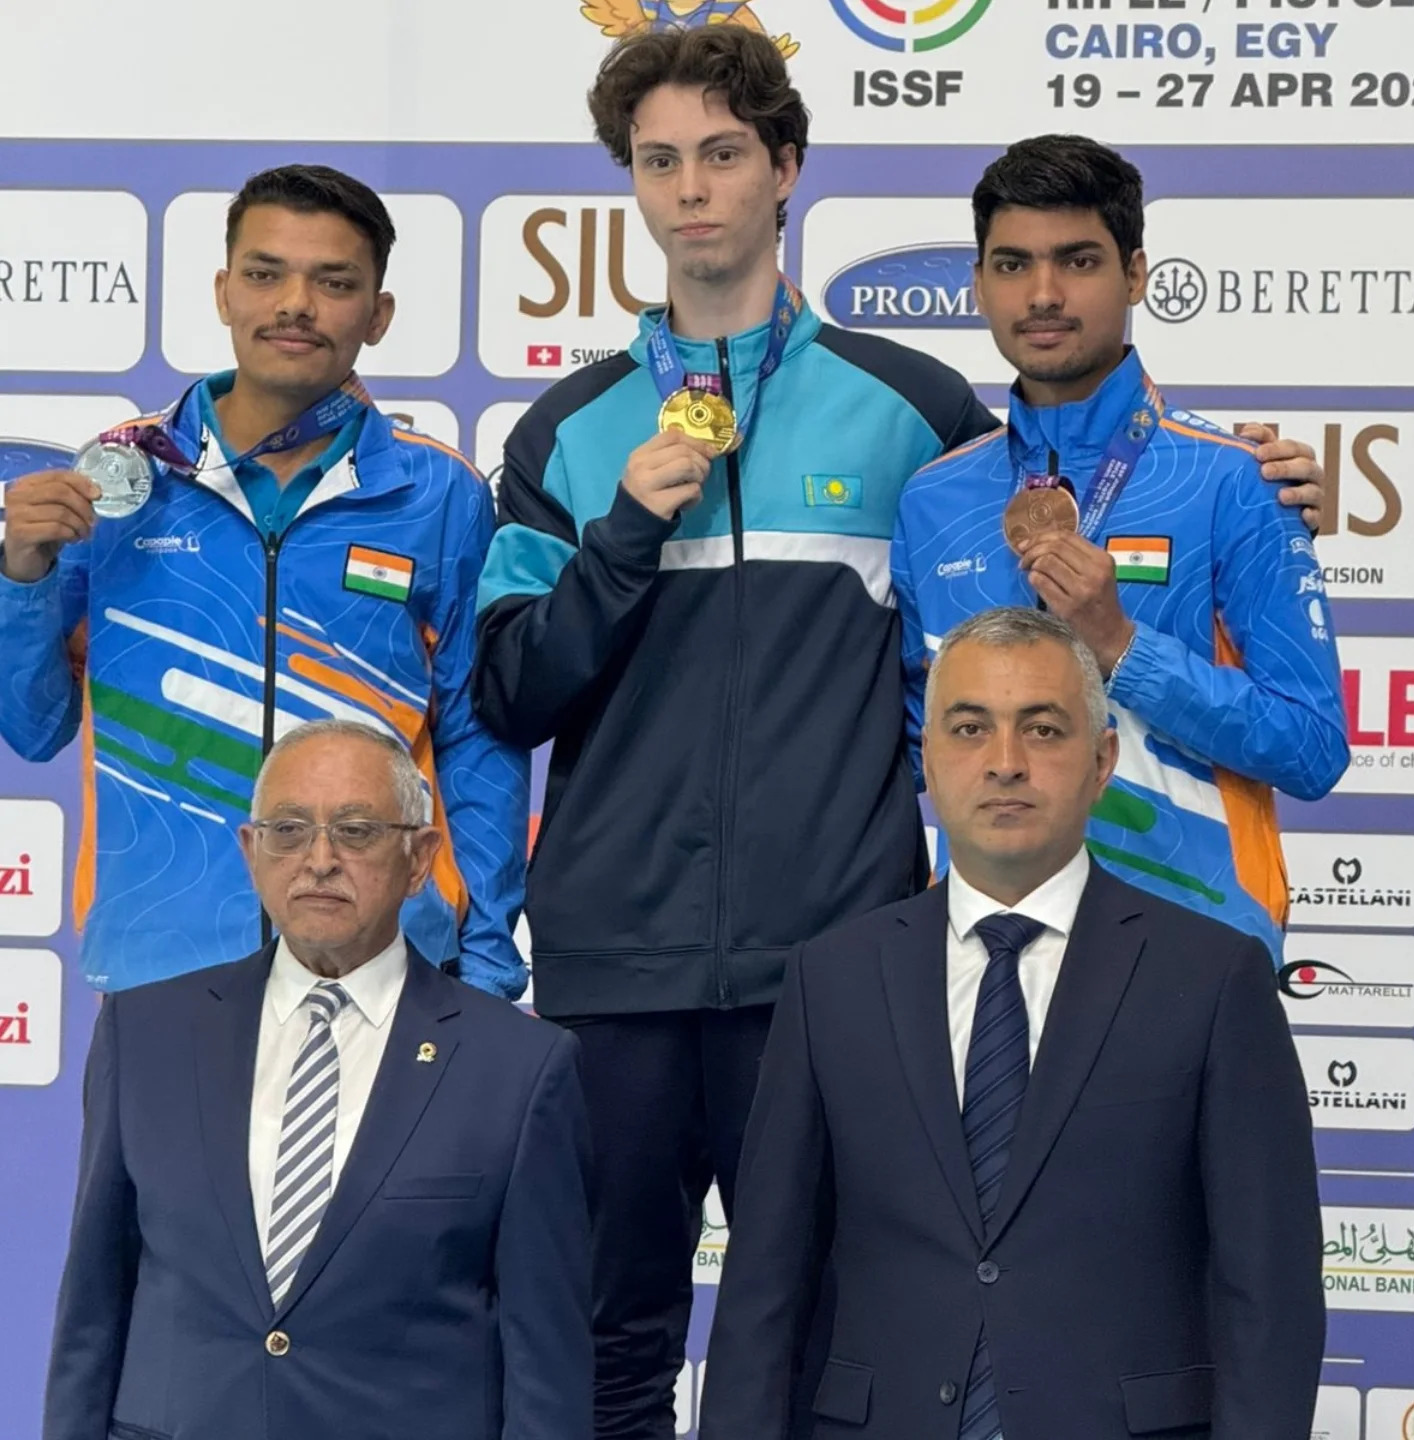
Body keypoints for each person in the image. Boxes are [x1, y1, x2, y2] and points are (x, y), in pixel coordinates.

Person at [471, 30, 1325, 1440]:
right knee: (603, 1346)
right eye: (661, 161)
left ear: (787, 168)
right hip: (612, 961)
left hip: (838, 966)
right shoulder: (568, 428)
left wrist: (1264, 477)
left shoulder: (917, 416)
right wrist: (623, 534)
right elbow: (510, 693)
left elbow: (1063, 468)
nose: (693, 189)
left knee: (839, 1342)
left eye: (724, 154)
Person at [700, 608, 1324, 1440]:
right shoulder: (833, 978)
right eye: (970, 728)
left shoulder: (1213, 978)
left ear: (1102, 761)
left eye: (1043, 728)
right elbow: (764, 1286)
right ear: (928, 755)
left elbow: (1270, 1293)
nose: (1005, 762)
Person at [0, 164, 527, 998]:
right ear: (223, 292)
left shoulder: (439, 496)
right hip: (162, 967)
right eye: (264, 273)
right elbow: (34, 730)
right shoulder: (124, 480)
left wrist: (488, 956)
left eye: (334, 282)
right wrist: (20, 576)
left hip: (384, 964)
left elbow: (476, 736)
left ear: (379, 313)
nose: (295, 304)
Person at [43, 719, 592, 1440]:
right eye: (289, 830)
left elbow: (546, 1366)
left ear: (419, 858)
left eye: (356, 831)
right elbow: (92, 1311)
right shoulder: (143, 1034)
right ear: (252, 851)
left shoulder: (519, 1066)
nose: (320, 860)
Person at [893, 135, 1348, 959]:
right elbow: (916, 742)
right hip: (989, 949)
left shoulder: (1235, 480)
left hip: (1194, 948)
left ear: (1135, 275)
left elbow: (1312, 749)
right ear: (978, 284)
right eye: (1012, 265)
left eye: (1077, 261)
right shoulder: (934, 500)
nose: (1043, 294)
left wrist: (1122, 646)